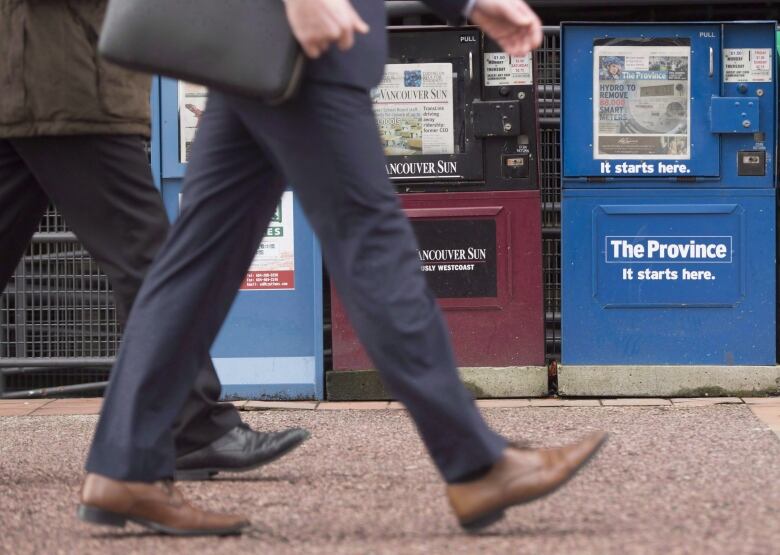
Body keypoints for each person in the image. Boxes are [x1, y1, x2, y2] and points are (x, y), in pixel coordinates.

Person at [78, 0, 607, 536]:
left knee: (196, 263)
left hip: (262, 48)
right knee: (372, 245)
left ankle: (127, 465)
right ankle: (478, 463)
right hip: (304, 43)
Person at [0, 0, 309, 483]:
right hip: (65, 82)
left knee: (147, 261)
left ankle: (189, 429)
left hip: (36, 81)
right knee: (149, 264)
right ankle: (191, 430)